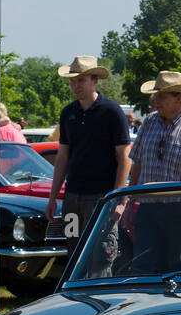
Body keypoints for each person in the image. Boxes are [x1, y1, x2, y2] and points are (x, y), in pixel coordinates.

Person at [126, 70, 181, 271]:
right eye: (156, 95)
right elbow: (137, 163)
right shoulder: (148, 122)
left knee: (176, 271)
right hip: (147, 209)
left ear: (179, 97)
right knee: (142, 269)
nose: (156, 100)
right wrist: (130, 204)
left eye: (162, 95)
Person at [47, 56, 131, 244]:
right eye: (72, 81)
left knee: (99, 255)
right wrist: (53, 198)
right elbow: (62, 158)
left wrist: (119, 199)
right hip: (71, 199)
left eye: (81, 80)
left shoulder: (112, 112)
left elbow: (125, 158)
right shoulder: (67, 113)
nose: (75, 86)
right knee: (73, 253)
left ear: (95, 80)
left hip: (101, 199)